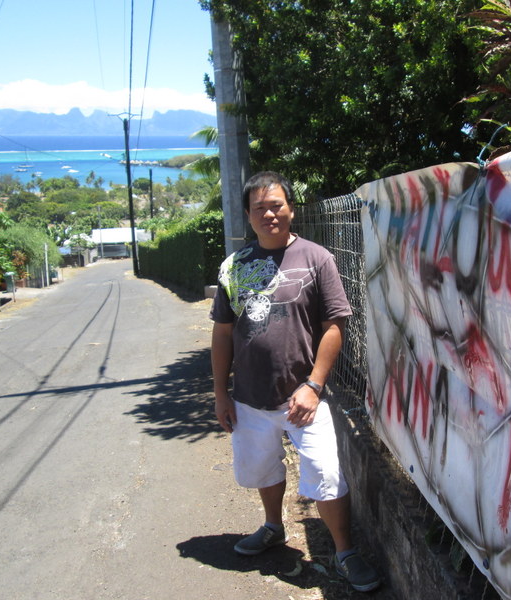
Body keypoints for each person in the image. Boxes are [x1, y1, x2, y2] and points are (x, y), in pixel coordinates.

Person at [209, 171, 381, 592]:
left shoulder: (316, 258)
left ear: (290, 209)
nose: (268, 214)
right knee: (263, 467)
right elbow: (223, 333)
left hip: (304, 397)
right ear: (247, 216)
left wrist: (314, 385)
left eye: (276, 205)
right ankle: (272, 527)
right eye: (259, 208)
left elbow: (335, 325)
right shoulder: (234, 267)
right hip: (249, 398)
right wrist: (220, 394)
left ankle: (344, 552)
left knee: (325, 472)